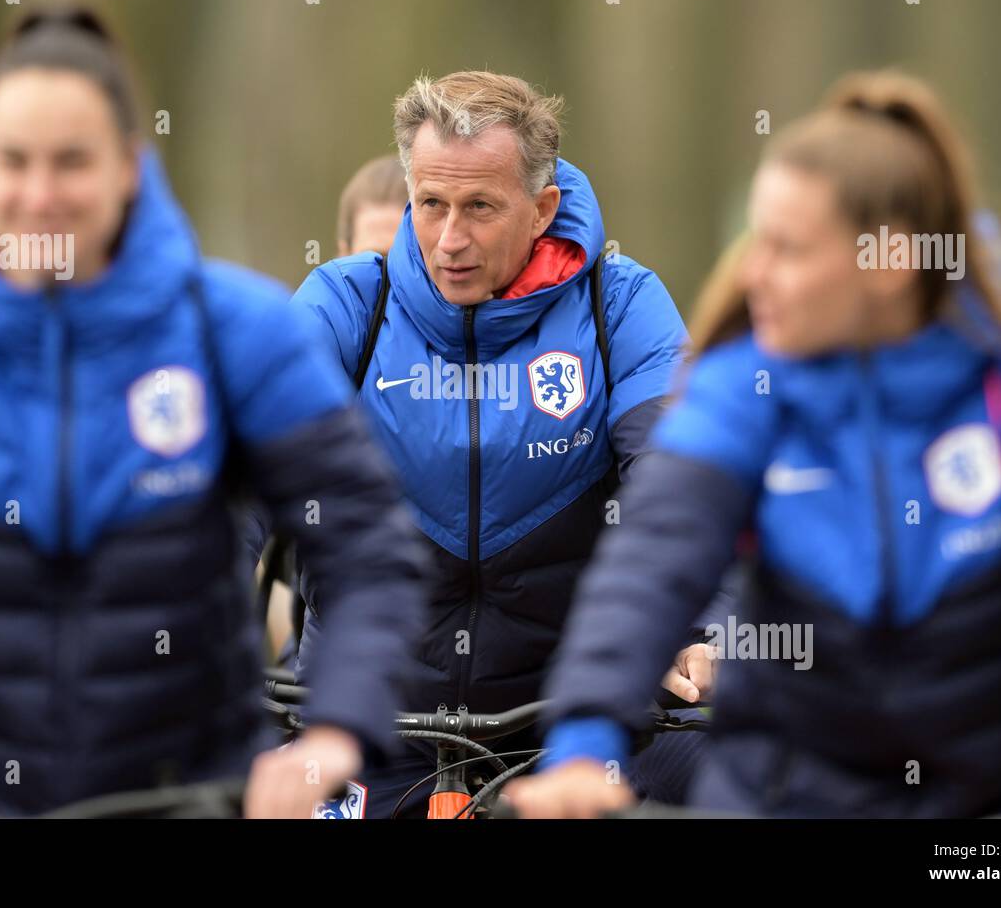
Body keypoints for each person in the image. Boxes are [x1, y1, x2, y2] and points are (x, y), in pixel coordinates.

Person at [0, 7, 424, 819]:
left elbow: (367, 548)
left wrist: (333, 733)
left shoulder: (234, 330)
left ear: (131, 166)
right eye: (13, 162)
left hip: (181, 791)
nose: (39, 195)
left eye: (72, 162)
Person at [510, 70, 1001, 818]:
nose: (753, 272)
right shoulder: (740, 385)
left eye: (788, 249)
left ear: (889, 261)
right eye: (755, 241)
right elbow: (651, 567)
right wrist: (582, 745)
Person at [287, 71, 715, 817]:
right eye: (431, 205)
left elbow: (685, 485)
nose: (450, 240)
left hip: (573, 734)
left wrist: (710, 628)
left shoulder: (623, 306)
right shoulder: (343, 302)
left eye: (480, 207)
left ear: (543, 208)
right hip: (367, 730)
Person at [264, 154, 410, 662]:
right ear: (342, 254)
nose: (394, 278)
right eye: (375, 257)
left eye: (410, 255)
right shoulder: (315, 342)